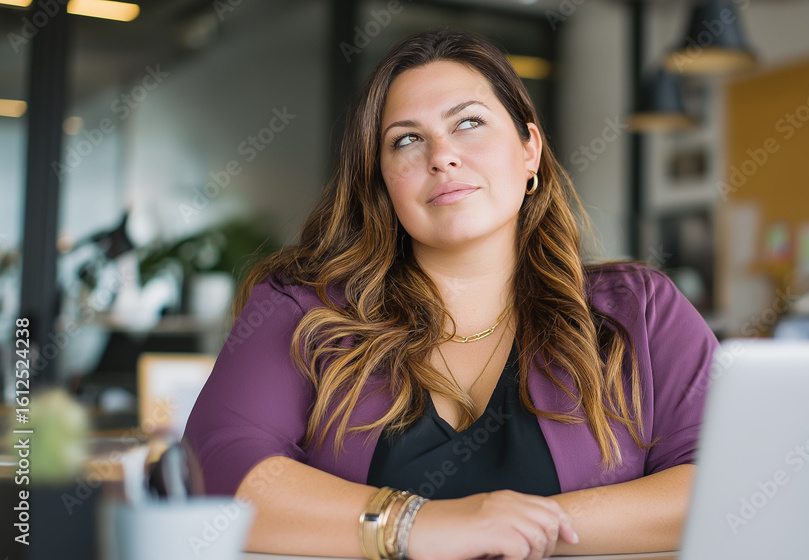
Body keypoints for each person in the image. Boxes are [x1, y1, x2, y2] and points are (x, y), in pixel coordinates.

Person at [184, 28, 718, 560]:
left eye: (469, 123)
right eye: (407, 139)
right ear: (382, 180)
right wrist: (419, 524)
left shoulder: (641, 310)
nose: (442, 157)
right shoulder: (302, 309)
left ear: (529, 149)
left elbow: (726, 481)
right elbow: (219, 470)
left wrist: (512, 526)